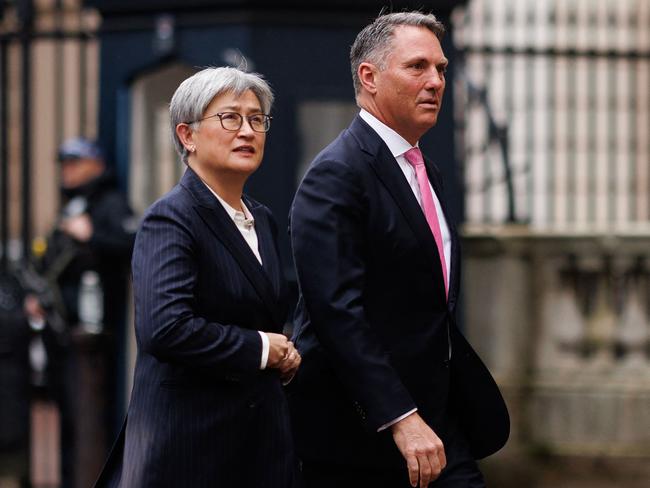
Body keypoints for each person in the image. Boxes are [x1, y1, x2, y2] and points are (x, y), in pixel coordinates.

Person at [288, 11, 509, 488]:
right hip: (360, 433)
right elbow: (336, 312)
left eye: (441, 69)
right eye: (417, 67)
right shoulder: (336, 175)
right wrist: (400, 416)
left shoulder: (426, 170)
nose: (435, 81)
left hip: (440, 421)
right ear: (369, 77)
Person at [95, 67, 301, 487]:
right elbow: (165, 328)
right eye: (230, 117)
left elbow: (264, 311)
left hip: (259, 444)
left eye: (257, 119)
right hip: (189, 448)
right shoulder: (171, 218)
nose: (247, 130)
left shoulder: (262, 220)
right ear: (187, 136)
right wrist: (262, 348)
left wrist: (286, 348)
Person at [23, 137, 135, 488]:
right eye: (64, 164)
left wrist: (93, 234)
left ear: (96, 165)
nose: (67, 171)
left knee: (88, 422)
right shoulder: (71, 204)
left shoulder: (110, 203)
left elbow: (132, 243)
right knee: (68, 420)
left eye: (75, 163)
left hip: (90, 335)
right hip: (60, 329)